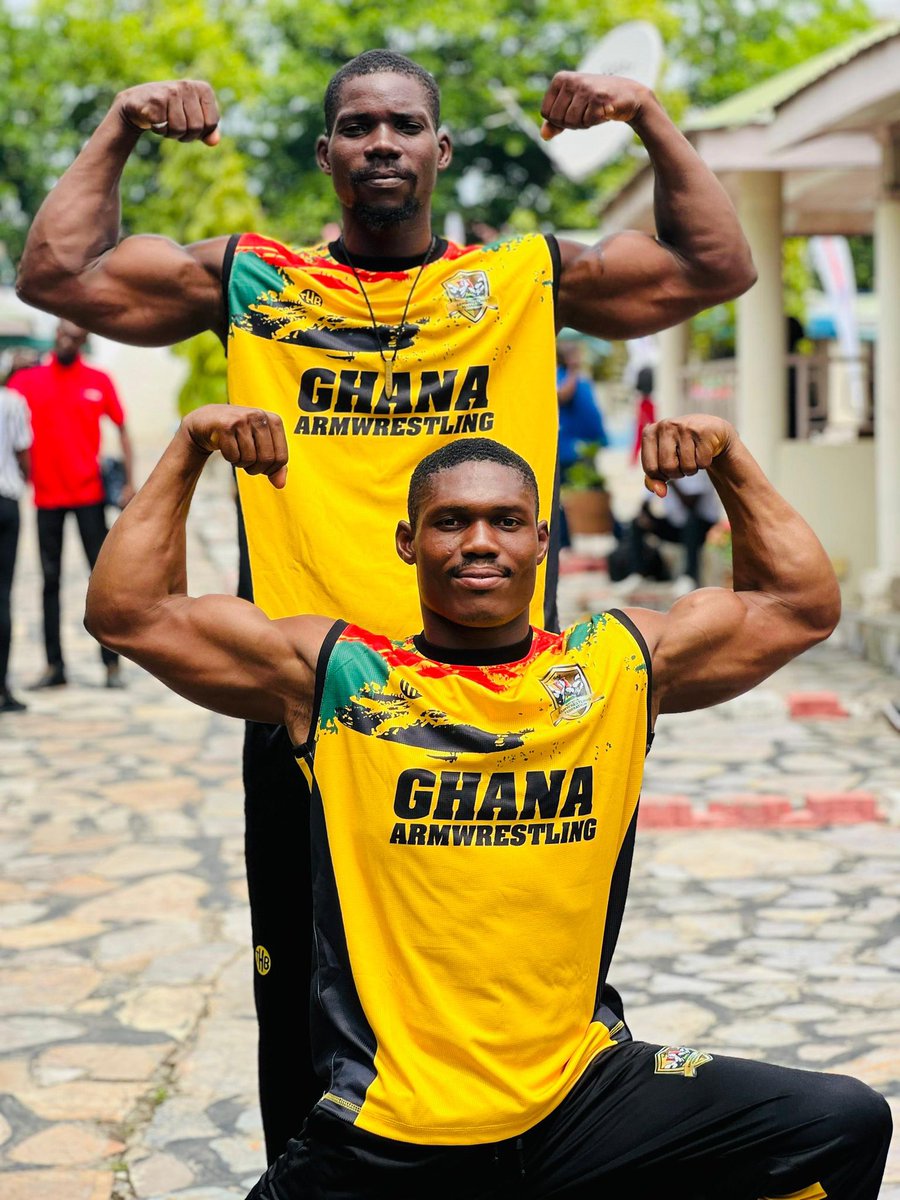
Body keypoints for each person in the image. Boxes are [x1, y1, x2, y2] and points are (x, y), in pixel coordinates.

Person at [17, 52, 756, 1158]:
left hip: (522, 720)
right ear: (326, 156)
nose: (380, 144)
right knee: (311, 1008)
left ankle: (534, 1171)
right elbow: (58, 275)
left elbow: (716, 264)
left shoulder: (517, 282)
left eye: (404, 126)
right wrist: (122, 121)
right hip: (314, 704)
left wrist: (645, 113)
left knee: (537, 997)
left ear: (439, 150)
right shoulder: (259, 285)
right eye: (357, 127)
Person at [84, 404, 890, 1200]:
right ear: (408, 542)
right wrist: (189, 444)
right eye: (451, 522)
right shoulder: (340, 680)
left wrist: (728, 457)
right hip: (392, 1130)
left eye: (507, 521)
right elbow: (129, 613)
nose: (478, 542)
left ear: (543, 539)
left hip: (577, 1099)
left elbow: (799, 606)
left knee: (837, 1123)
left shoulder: (611, 670)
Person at [8, 320, 135, 689]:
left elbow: (122, 426)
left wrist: (128, 480)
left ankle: (111, 664)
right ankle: (54, 667)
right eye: (61, 332)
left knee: (102, 582)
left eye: (73, 333)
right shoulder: (26, 382)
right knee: (50, 582)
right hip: (46, 497)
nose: (66, 338)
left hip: (89, 496)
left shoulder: (99, 380)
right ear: (55, 336)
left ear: (84, 339)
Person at [625, 469, 722, 587]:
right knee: (637, 523)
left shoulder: (698, 470)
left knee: (692, 523)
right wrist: (645, 517)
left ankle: (689, 577)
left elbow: (691, 506)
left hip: (701, 527)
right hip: (675, 527)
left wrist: (672, 482)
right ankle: (639, 573)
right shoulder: (659, 471)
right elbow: (644, 503)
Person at [0, 381, 32, 712]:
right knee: (2, 595)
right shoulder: (13, 401)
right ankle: (1, 688)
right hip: (5, 502)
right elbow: (24, 453)